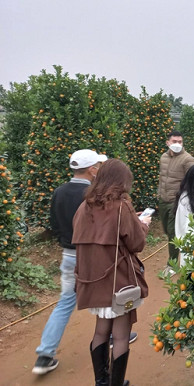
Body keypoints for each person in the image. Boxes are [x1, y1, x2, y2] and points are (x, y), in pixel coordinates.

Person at [32, 149, 112, 375]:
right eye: (97, 165)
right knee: (106, 294)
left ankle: (45, 355)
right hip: (91, 256)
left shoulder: (59, 191)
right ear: (92, 170)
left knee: (65, 302)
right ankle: (116, 336)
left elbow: (54, 224)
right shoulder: (94, 193)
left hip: (68, 254)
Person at [72, 159, 151, 386]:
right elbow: (136, 243)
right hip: (118, 280)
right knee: (120, 334)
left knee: (100, 330)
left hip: (92, 279)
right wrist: (142, 223)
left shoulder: (84, 206)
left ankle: (101, 381)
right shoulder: (121, 206)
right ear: (121, 181)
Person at [158, 131, 194, 268]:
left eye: (180, 142)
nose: (177, 144)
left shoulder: (187, 159)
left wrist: (186, 201)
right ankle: (177, 254)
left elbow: (192, 182)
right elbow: (162, 178)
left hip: (177, 202)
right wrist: (159, 194)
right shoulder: (163, 157)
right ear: (168, 143)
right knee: (167, 231)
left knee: (173, 233)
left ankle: (172, 265)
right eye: (174, 141)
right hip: (163, 199)